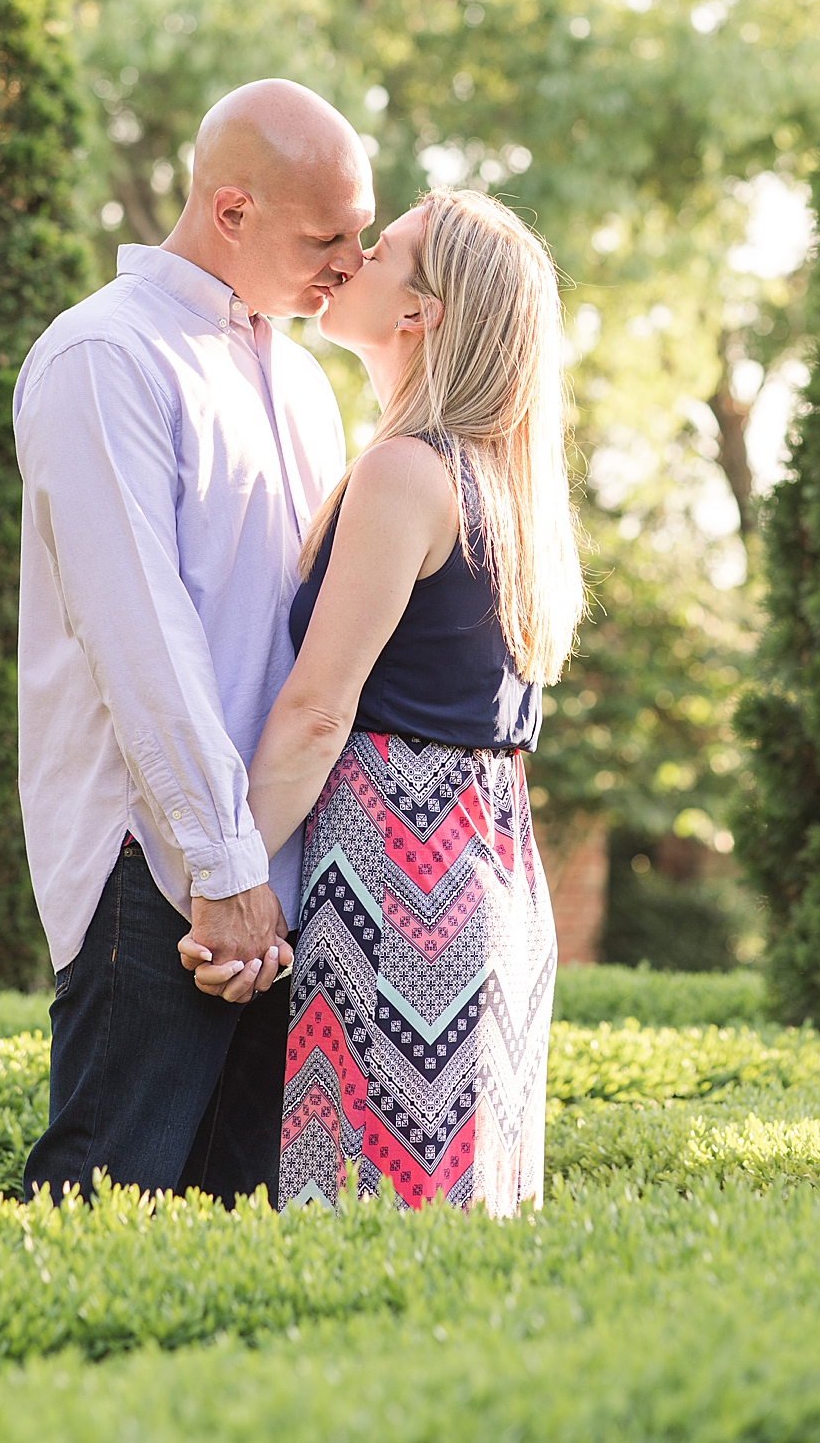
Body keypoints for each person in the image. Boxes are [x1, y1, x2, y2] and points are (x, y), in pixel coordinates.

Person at [180, 188, 584, 1217]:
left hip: (399, 876)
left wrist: (226, 883)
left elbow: (319, 709)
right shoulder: (496, 483)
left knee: (364, 1216)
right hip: (481, 864)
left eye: (385, 247)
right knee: (450, 1219)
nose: (352, 252)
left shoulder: (407, 471)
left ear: (423, 312)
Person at [13, 78, 374, 1205]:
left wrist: (278, 870)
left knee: (238, 1233)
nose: (352, 265)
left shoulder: (307, 386)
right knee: (104, 1209)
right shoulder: (104, 358)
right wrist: (219, 872)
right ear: (231, 210)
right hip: (155, 870)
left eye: (364, 234)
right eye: (327, 238)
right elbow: (142, 640)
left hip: (285, 876)